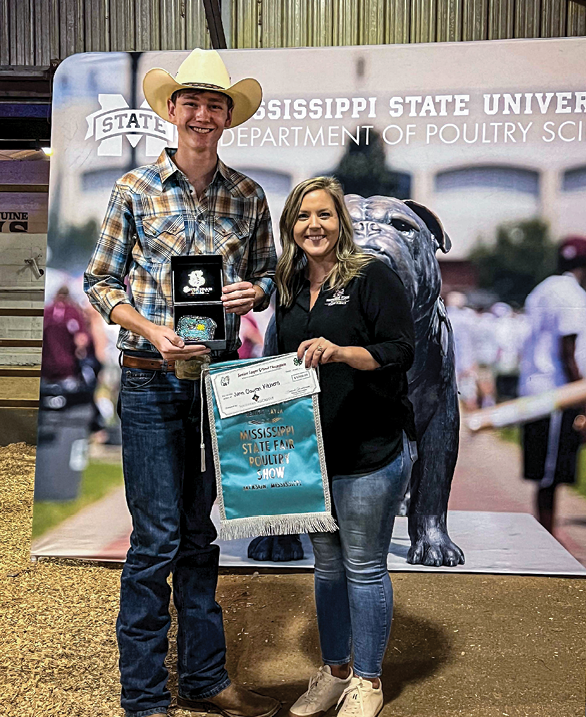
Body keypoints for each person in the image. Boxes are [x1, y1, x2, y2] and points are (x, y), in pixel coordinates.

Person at [84, 49, 278, 717]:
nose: (202, 113)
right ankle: (143, 697)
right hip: (148, 378)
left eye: (215, 104)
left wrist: (258, 291)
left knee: (200, 534)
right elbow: (99, 282)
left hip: (217, 383)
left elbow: (270, 276)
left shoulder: (249, 196)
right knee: (157, 538)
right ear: (172, 111)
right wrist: (152, 329)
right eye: (191, 102)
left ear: (228, 118)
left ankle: (203, 679)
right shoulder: (134, 190)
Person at [274, 177, 415, 717]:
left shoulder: (372, 275)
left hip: (370, 449)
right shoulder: (286, 287)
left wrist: (342, 352)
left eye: (325, 215)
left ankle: (369, 680)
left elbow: (401, 350)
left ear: (341, 222)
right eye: (303, 216)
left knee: (363, 567)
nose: (314, 226)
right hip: (314, 452)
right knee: (327, 568)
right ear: (291, 225)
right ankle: (334, 671)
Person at [519, 236, 586, 534]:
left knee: (547, 475)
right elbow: (567, 351)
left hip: (535, 387)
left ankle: (548, 534)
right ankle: (549, 538)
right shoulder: (572, 295)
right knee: (551, 474)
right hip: (557, 391)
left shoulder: (542, 289)